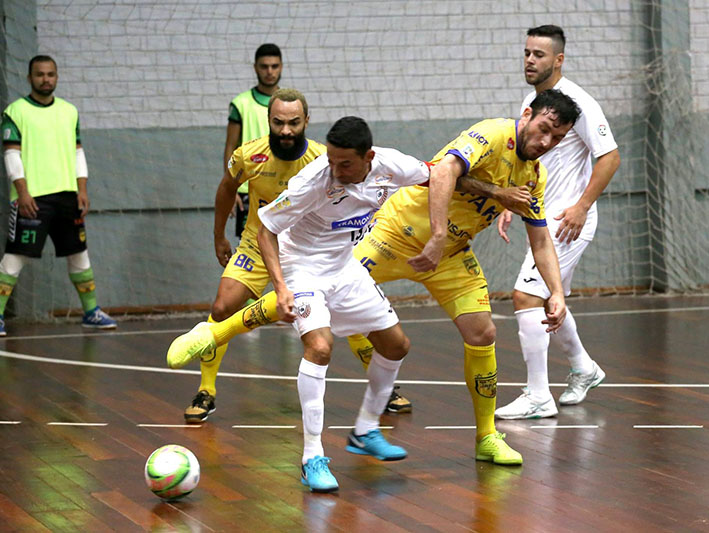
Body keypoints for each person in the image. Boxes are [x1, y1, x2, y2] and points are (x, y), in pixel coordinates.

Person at [167, 90, 580, 466]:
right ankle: (217, 335)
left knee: (473, 333)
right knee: (316, 317)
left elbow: (536, 236)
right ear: (527, 115)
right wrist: (454, 222)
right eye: (544, 129)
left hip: (446, 254)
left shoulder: (530, 177)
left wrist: (557, 293)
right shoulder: (491, 134)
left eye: (557, 137)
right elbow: (445, 172)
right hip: (387, 236)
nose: (547, 141)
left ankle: (481, 436)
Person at [241, 116, 432, 492]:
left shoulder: (390, 165)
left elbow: (439, 173)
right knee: (320, 347)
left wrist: (496, 194)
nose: (336, 170)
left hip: (344, 267)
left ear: (368, 157)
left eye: (345, 164)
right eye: (331, 160)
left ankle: (365, 430)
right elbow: (266, 231)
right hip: (301, 268)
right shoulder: (312, 182)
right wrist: (281, 288)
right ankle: (311, 457)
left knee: (396, 345)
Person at [494, 25, 621, 420]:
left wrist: (582, 206)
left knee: (526, 297)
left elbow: (610, 157)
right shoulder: (532, 103)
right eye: (527, 53)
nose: (530, 60)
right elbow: (529, 157)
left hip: (567, 222)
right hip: (539, 216)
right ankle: (584, 368)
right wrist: (507, 199)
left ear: (559, 60)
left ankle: (537, 395)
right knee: (550, 299)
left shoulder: (580, 104)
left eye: (539, 54)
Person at [182, 88, 326, 423]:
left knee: (350, 311)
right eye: (278, 123)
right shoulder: (249, 156)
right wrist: (218, 236)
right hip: (257, 242)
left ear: (306, 121)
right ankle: (206, 390)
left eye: (293, 123)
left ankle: (386, 389)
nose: (285, 130)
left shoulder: (322, 160)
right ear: (268, 120)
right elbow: (226, 189)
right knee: (222, 307)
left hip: (308, 247)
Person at [0, 55, 116, 335]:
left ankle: (91, 312)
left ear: (57, 77)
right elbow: (11, 154)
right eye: (39, 74)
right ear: (29, 78)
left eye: (50, 74)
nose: (45, 79)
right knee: (16, 257)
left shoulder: (69, 111)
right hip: (32, 199)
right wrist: (22, 192)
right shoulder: (15, 112)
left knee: (78, 254)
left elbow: (77, 152)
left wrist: (82, 189)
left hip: (67, 197)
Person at [226, 43, 283, 238]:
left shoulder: (290, 103)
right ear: (255, 68)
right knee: (250, 244)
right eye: (264, 66)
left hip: (282, 187)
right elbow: (230, 148)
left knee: (286, 247)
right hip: (248, 189)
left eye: (274, 66)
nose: (269, 71)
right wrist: (231, 189)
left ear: (281, 67)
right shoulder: (241, 104)